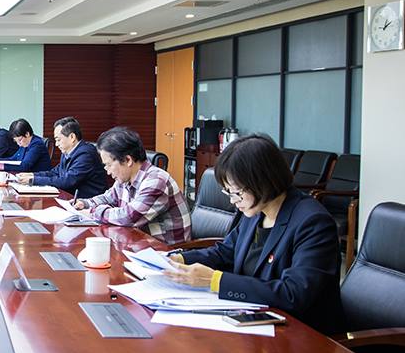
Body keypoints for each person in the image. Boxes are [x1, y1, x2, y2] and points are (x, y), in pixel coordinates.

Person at [164, 135, 344, 332]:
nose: (232, 200)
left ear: (263, 182)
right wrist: (177, 259)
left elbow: (294, 294)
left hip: (299, 333)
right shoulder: (256, 211)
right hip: (253, 319)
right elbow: (225, 252)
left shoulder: (313, 222)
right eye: (228, 192)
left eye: (237, 193)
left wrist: (215, 280)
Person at [74, 126, 191, 245]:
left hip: (165, 251)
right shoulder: (125, 178)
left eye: (109, 165)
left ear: (128, 160)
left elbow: (128, 217)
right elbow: (108, 198)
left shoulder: (156, 181)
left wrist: (94, 211)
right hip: (138, 243)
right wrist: (84, 203)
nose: (107, 171)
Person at [16, 117, 109, 197]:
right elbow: (55, 172)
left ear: (72, 137)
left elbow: (67, 181)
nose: (56, 144)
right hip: (70, 198)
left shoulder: (85, 154)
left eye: (58, 140)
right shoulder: (68, 151)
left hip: (87, 203)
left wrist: (33, 180)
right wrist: (32, 175)